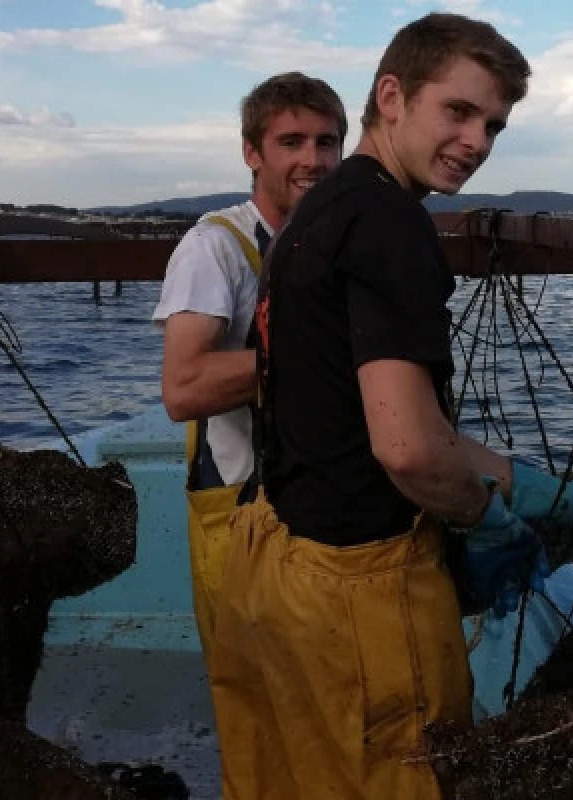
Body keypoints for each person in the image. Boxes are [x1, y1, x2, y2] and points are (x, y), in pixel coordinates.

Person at [211, 13, 573, 800]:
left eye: (494, 125)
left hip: (285, 562)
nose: (478, 141)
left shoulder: (316, 212)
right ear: (392, 95)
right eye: (459, 111)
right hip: (364, 592)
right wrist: (485, 523)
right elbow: (409, 448)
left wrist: (545, 490)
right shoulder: (390, 225)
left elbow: (372, 411)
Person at [150, 72, 346, 795]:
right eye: (291, 141)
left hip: (323, 511)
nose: (314, 160)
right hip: (238, 513)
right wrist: (319, 357)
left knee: (332, 701)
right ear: (251, 153)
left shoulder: (334, 243)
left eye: (327, 142)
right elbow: (184, 387)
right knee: (258, 711)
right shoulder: (218, 248)